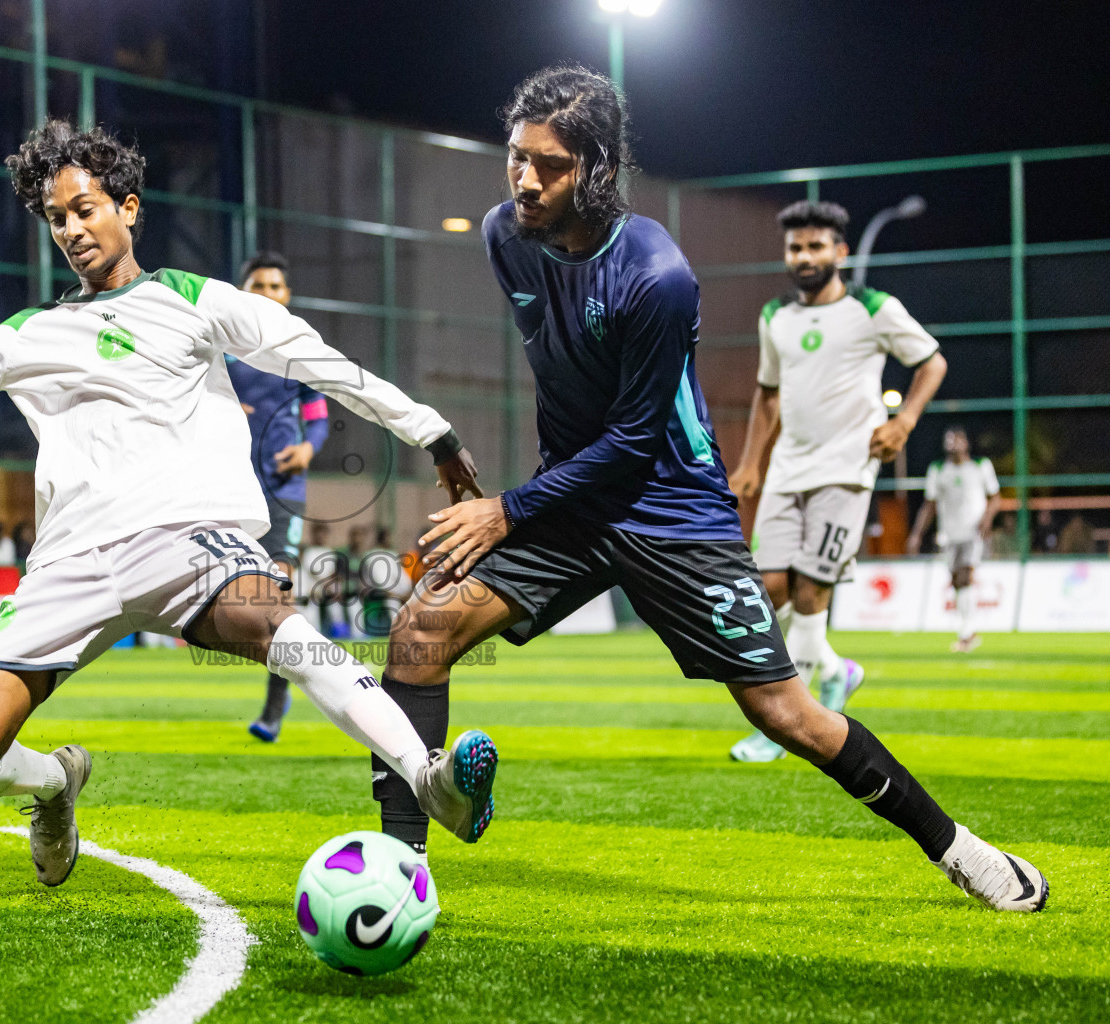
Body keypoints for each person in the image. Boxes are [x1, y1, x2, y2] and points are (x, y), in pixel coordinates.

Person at [370, 66, 1044, 911]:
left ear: (598, 167)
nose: (526, 180)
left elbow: (633, 440)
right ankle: (402, 881)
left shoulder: (658, 275)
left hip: (672, 509)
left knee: (788, 716)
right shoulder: (506, 234)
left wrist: (508, 508)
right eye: (516, 158)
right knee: (419, 634)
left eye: (551, 164)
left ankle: (963, 851)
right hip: (574, 502)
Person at [0, 118, 497, 888]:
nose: (70, 228)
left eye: (85, 208)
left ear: (128, 208)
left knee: (284, 631)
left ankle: (428, 780)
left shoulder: (195, 300)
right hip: (69, 561)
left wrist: (430, 431)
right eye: (56, 217)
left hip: (185, 538)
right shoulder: (29, 333)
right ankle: (56, 784)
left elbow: (321, 363)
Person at [726, 198, 949, 762]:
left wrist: (904, 421)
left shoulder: (873, 308)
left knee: (810, 588)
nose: (804, 256)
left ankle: (784, 722)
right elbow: (767, 394)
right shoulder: (775, 315)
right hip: (786, 471)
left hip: (846, 472)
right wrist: (751, 463)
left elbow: (931, 362)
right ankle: (833, 669)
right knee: (768, 589)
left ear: (840, 251)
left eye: (816, 245)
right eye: (795, 247)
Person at [223, 251, 331, 741]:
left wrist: (309, 447)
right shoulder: (220, 353)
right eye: (259, 285)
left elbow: (318, 416)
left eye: (277, 286)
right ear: (242, 291)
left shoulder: (298, 351)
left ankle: (273, 706)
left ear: (287, 296)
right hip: (225, 488)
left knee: (277, 596)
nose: (268, 293)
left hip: (282, 491)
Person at [907, 427, 1000, 652]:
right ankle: (969, 627)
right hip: (949, 534)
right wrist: (916, 534)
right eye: (949, 441)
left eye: (957, 440)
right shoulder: (938, 470)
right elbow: (929, 504)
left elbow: (995, 497)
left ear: (966, 442)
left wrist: (987, 519)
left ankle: (966, 632)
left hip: (972, 532)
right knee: (957, 581)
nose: (953, 445)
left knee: (965, 575)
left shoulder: (980, 466)